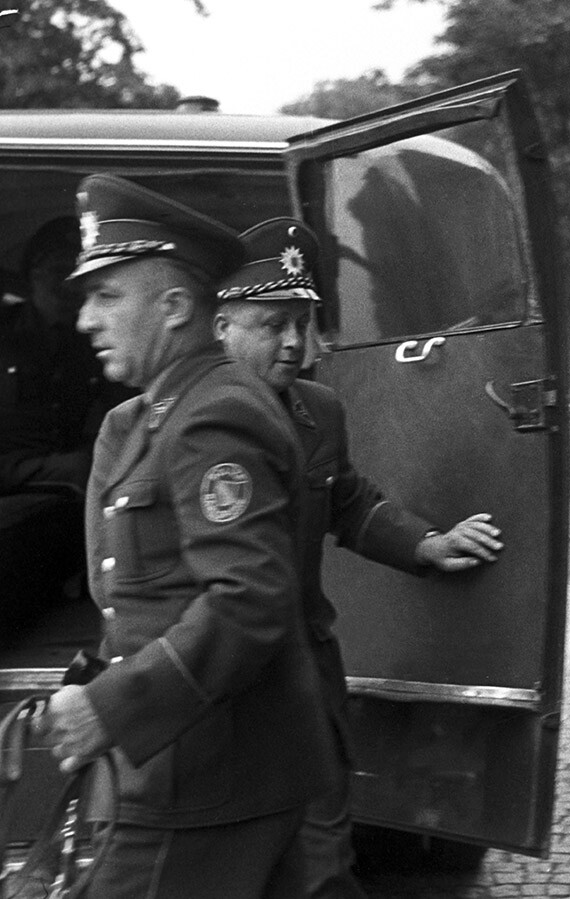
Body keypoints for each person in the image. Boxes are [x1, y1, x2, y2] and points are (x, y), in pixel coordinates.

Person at [36, 174, 335, 898]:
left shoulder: (214, 414)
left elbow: (247, 600)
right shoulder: (151, 416)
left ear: (174, 307)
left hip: (201, 785)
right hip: (191, 770)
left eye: (107, 295)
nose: (85, 319)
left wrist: (113, 708)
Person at [213, 217, 505, 898]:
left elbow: (347, 499)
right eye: (271, 322)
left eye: (304, 321)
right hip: (218, 687)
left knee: (321, 864)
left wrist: (426, 542)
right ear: (219, 325)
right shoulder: (178, 422)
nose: (294, 342)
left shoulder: (318, 411)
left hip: (303, 681)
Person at [0, 217, 126, 620]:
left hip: (74, 500)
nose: (67, 286)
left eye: (76, 276)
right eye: (57, 272)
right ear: (31, 275)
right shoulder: (5, 338)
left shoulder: (100, 346)